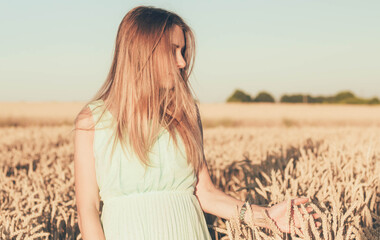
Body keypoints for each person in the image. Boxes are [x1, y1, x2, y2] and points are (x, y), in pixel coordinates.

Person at [73, 5, 319, 240]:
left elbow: (206, 194)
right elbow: (88, 210)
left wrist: (266, 216)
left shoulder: (185, 113)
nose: (182, 62)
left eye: (183, 52)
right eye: (173, 50)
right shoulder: (92, 122)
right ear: (144, 51)